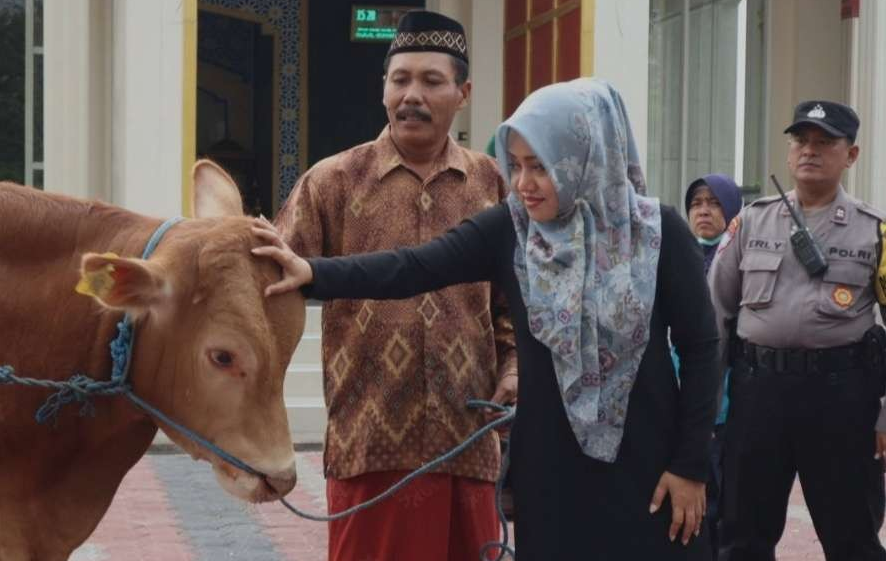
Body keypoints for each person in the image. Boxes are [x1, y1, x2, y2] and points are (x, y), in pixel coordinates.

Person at [257, 77, 719, 560]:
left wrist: (691, 465)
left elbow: (702, 349)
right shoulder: (512, 230)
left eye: (540, 167)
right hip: (552, 476)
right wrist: (312, 272)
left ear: (585, 157)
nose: (523, 184)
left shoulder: (657, 233)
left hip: (653, 470)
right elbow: (414, 266)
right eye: (516, 165)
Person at [273, 10, 517, 560]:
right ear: (383, 87)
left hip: (468, 439)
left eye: (431, 81)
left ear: (464, 92)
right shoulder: (331, 182)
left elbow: (514, 302)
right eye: (399, 78)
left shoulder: (492, 183)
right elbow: (273, 284)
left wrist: (515, 367)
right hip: (368, 444)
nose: (412, 94)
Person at [709, 100, 886, 561]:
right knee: (742, 533)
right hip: (758, 393)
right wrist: (707, 409)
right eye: (800, 141)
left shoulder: (876, 233)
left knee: (852, 534)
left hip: (841, 397)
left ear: (852, 155)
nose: (809, 151)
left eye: (824, 142)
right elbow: (716, 314)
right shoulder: (750, 222)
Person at [682, 173, 743, 559]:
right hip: (682, 403)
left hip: (730, 407)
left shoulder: (742, 256)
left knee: (727, 506)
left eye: (714, 202)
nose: (703, 211)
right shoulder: (675, 256)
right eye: (696, 203)